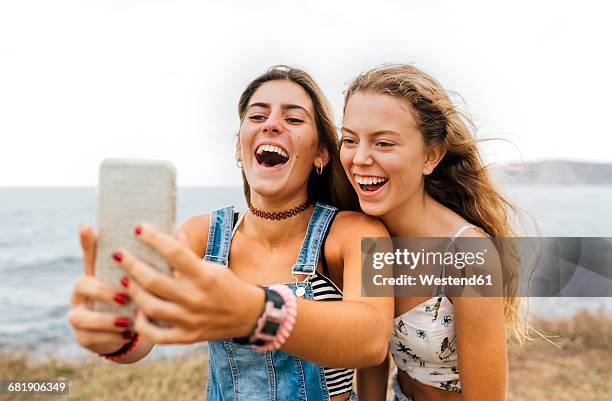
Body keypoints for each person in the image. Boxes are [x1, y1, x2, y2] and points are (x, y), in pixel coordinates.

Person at [68, 65, 393, 401]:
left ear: (321, 153)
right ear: (239, 148)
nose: (271, 124)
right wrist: (115, 336)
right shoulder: (197, 235)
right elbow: (144, 338)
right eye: (257, 116)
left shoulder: (360, 233)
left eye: (294, 119)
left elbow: (370, 341)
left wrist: (255, 312)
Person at [339, 64, 528, 401]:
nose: (360, 158)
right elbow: (374, 353)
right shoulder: (366, 235)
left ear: (431, 155)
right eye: (350, 140)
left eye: (383, 143)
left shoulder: (469, 256)